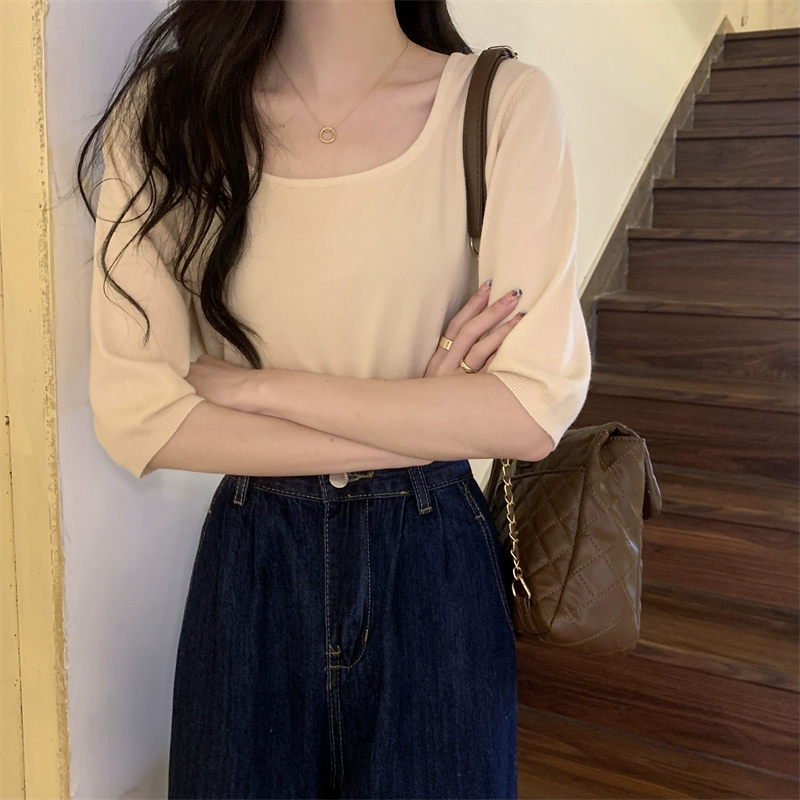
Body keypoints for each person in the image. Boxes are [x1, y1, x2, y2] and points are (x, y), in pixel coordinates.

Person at [77, 0, 592, 796]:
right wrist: (425, 416)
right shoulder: (174, 110)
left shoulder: (500, 105)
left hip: (432, 567)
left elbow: (531, 411)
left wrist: (260, 388)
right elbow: (137, 416)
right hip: (254, 564)